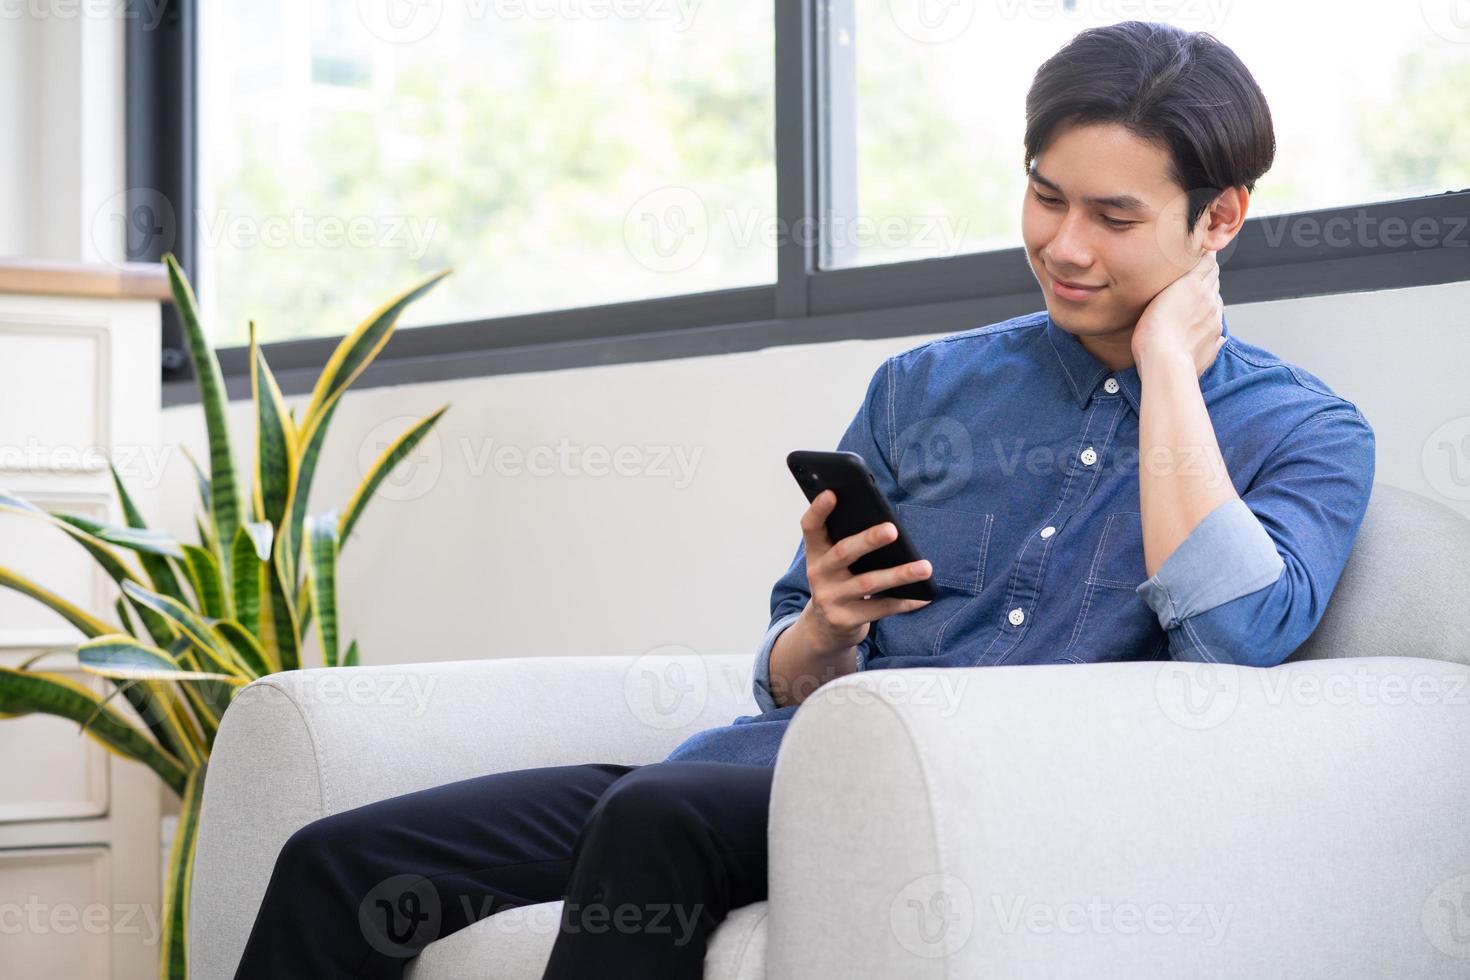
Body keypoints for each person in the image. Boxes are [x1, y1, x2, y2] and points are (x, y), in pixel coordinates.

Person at [230, 20, 1374, 980]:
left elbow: (1233, 645)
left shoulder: (1305, 432)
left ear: (1217, 221)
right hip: (765, 765)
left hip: (983, 809)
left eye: (1115, 219)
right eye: (1044, 196)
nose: (1063, 246)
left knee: (656, 815)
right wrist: (823, 627)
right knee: (343, 860)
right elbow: (785, 671)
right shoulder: (926, 386)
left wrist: (1168, 369)